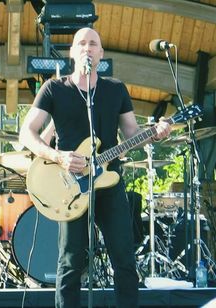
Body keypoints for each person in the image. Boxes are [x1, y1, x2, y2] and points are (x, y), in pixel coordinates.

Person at [19, 27, 171, 308]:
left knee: (124, 258)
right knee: (70, 261)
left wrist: (156, 132)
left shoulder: (115, 89)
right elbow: (27, 133)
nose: (87, 48)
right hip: (71, 186)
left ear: (101, 53)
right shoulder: (54, 88)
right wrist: (58, 157)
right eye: (82, 44)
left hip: (108, 183)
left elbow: (131, 134)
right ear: (73, 52)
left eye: (93, 44)